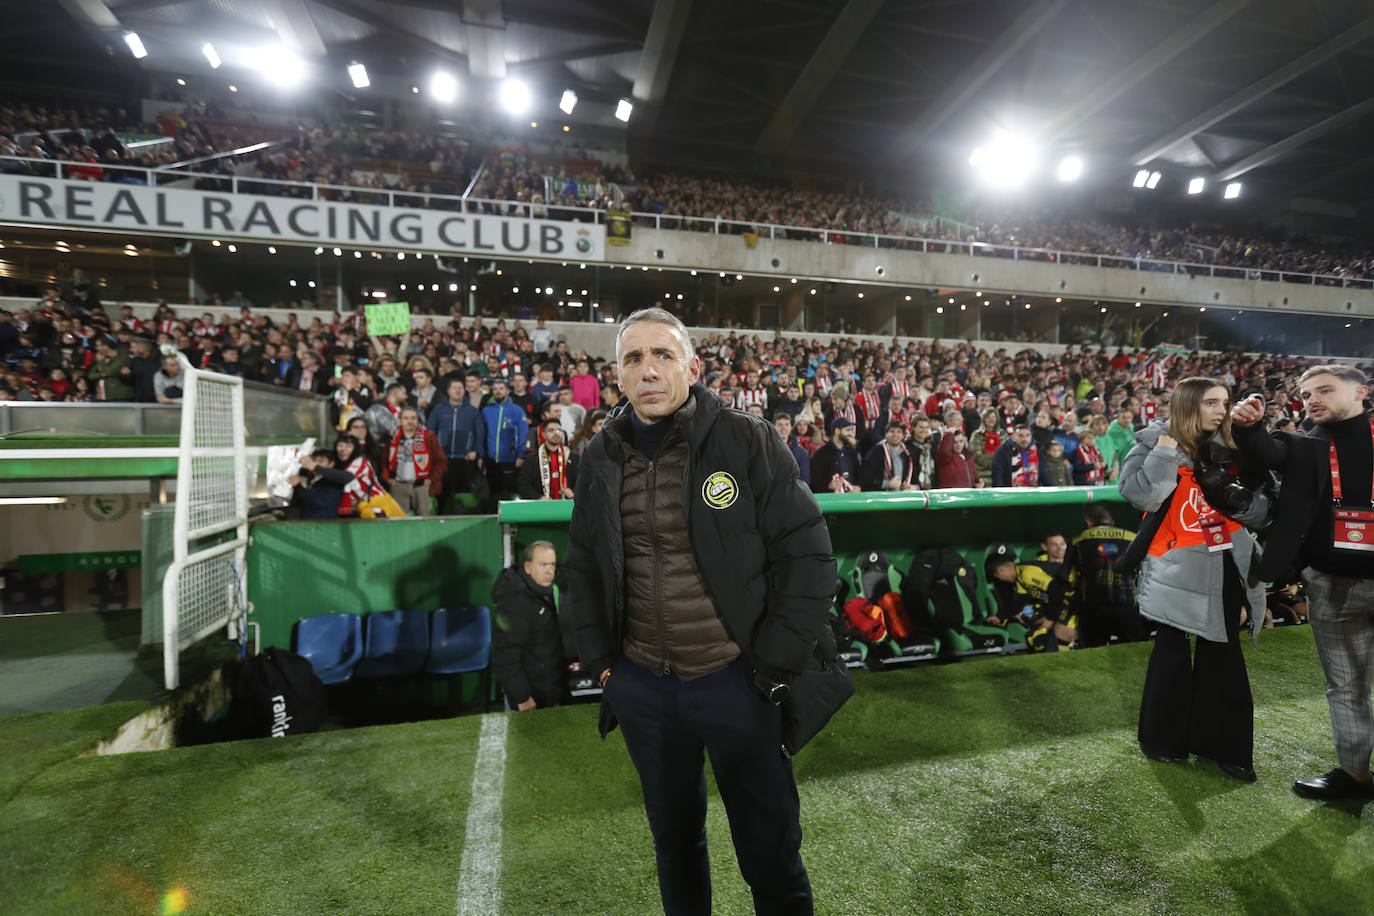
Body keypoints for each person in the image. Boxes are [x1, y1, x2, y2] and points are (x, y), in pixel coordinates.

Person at [563, 307, 836, 916]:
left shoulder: (747, 438)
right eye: (634, 358)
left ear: (692, 365)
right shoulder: (599, 458)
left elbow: (809, 556)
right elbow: (581, 567)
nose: (649, 370)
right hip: (644, 688)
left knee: (769, 852)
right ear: (617, 374)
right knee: (675, 845)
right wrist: (605, 669)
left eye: (663, 355)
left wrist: (772, 664)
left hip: (739, 680)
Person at [1230, 365, 1374, 799]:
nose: (1312, 399)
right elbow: (1268, 454)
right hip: (1329, 583)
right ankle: (1354, 776)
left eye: (1325, 391)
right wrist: (1251, 426)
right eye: (1307, 393)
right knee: (1346, 684)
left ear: (1362, 392)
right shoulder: (1307, 443)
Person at [1118, 376, 1270, 782]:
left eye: (1224, 402)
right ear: (1187, 405)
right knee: (1170, 652)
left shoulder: (1236, 448)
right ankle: (1162, 742)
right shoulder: (1150, 443)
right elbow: (1142, 496)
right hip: (1174, 563)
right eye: (1211, 403)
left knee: (1224, 650)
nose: (1222, 410)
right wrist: (1168, 449)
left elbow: (1263, 511)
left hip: (1227, 564)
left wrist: (1236, 497)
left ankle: (1225, 746)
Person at [490, 541, 567, 711]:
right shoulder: (515, 603)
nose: (550, 571)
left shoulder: (542, 592)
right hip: (531, 699)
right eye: (543, 565)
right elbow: (505, 657)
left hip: (550, 691)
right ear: (527, 567)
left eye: (553, 565)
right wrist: (522, 697)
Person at [1064, 504, 1144, 647]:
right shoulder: (1133, 538)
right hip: (1127, 608)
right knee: (1134, 653)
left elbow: (1066, 576)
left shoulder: (1078, 540)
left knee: (1093, 655)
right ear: (1111, 522)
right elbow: (1144, 572)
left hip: (1092, 609)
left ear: (1089, 523)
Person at [427, 377, 486, 515]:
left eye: (460, 388)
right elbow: (430, 432)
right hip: (443, 460)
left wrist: (476, 452)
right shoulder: (438, 410)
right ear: (448, 391)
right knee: (443, 494)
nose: (458, 391)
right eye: (454, 388)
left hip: (464, 459)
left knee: (462, 494)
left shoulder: (472, 411)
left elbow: (480, 433)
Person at [385, 406, 447, 516]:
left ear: (418, 420)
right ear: (400, 420)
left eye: (413, 418)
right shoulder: (392, 438)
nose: (410, 421)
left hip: (421, 486)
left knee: (424, 521)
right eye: (406, 418)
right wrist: (387, 478)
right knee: (398, 522)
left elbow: (442, 461)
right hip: (399, 486)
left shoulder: (428, 437)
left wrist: (430, 479)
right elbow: (383, 461)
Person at [482, 377, 529, 495]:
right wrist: (481, 456)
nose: (498, 391)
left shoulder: (517, 411)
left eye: (501, 388)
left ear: (508, 391)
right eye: (495, 389)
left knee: (509, 491)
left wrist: (521, 455)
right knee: (493, 493)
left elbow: (523, 434)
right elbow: (482, 434)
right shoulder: (486, 410)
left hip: (510, 458)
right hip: (490, 460)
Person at [517, 418, 577, 500]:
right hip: (541, 508)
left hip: (568, 506)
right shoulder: (532, 459)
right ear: (544, 434)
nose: (556, 433)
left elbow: (584, 482)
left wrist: (573, 492)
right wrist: (539, 497)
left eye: (559, 430)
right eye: (551, 430)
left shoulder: (574, 457)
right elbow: (523, 485)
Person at [289, 449, 354, 520]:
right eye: (314, 461)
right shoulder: (312, 479)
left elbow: (316, 502)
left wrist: (298, 486)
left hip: (324, 524)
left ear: (331, 464)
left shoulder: (332, 482)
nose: (315, 464)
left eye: (321, 461)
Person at [861, 421, 918, 492]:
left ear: (903, 435)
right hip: (882, 497)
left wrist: (915, 487)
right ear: (886, 434)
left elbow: (915, 477)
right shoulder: (876, 452)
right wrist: (887, 484)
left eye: (899, 432)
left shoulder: (908, 453)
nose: (895, 435)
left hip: (903, 497)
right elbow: (866, 477)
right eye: (892, 431)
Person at [810, 417, 862, 493]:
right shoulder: (821, 454)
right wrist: (828, 485)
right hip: (833, 499)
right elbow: (814, 480)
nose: (850, 433)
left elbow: (858, 473)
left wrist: (858, 486)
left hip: (851, 498)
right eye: (847, 430)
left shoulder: (851, 451)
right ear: (837, 431)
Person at [773, 411, 811, 486]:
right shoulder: (766, 449)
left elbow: (805, 480)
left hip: (793, 494)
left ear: (791, 427)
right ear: (774, 427)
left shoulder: (801, 452)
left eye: (786, 424)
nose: (783, 428)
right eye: (780, 425)